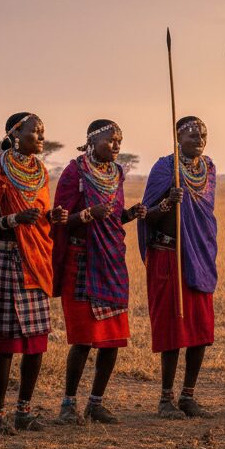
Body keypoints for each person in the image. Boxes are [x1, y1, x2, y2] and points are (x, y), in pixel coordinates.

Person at [0, 112, 68, 434]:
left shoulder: (40, 171)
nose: (41, 138)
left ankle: (24, 411)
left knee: (36, 342)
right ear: (15, 134)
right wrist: (13, 221)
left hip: (35, 262)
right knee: (5, 345)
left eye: (42, 132)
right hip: (3, 260)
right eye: (35, 132)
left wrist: (49, 217)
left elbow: (39, 218)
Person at [51, 120, 147, 425]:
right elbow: (61, 220)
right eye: (110, 140)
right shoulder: (74, 172)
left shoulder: (117, 173)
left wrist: (130, 215)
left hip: (111, 261)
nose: (116, 146)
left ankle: (96, 403)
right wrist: (87, 215)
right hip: (82, 259)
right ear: (91, 142)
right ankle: (68, 404)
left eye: (119, 140)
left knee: (113, 339)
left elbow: (114, 217)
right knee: (83, 339)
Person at [139, 116, 218, 419]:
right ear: (177, 137)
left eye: (203, 134)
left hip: (199, 254)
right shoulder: (164, 168)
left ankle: (188, 396)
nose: (199, 139)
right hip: (169, 254)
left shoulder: (208, 168)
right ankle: (165, 398)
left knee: (201, 330)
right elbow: (148, 215)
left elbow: (206, 213)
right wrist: (168, 203)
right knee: (173, 328)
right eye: (192, 134)